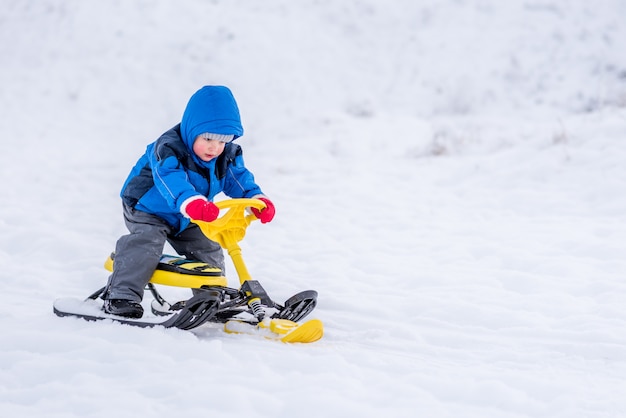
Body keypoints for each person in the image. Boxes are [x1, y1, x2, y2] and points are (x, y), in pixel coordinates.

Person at [102, 85, 275, 318]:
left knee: (208, 249)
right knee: (146, 242)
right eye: (208, 138)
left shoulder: (224, 155)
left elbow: (239, 179)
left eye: (223, 141)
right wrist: (192, 202)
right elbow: (171, 179)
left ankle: (211, 299)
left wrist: (256, 199)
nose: (215, 147)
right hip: (147, 208)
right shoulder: (169, 148)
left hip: (190, 213)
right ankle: (121, 295)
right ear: (192, 130)